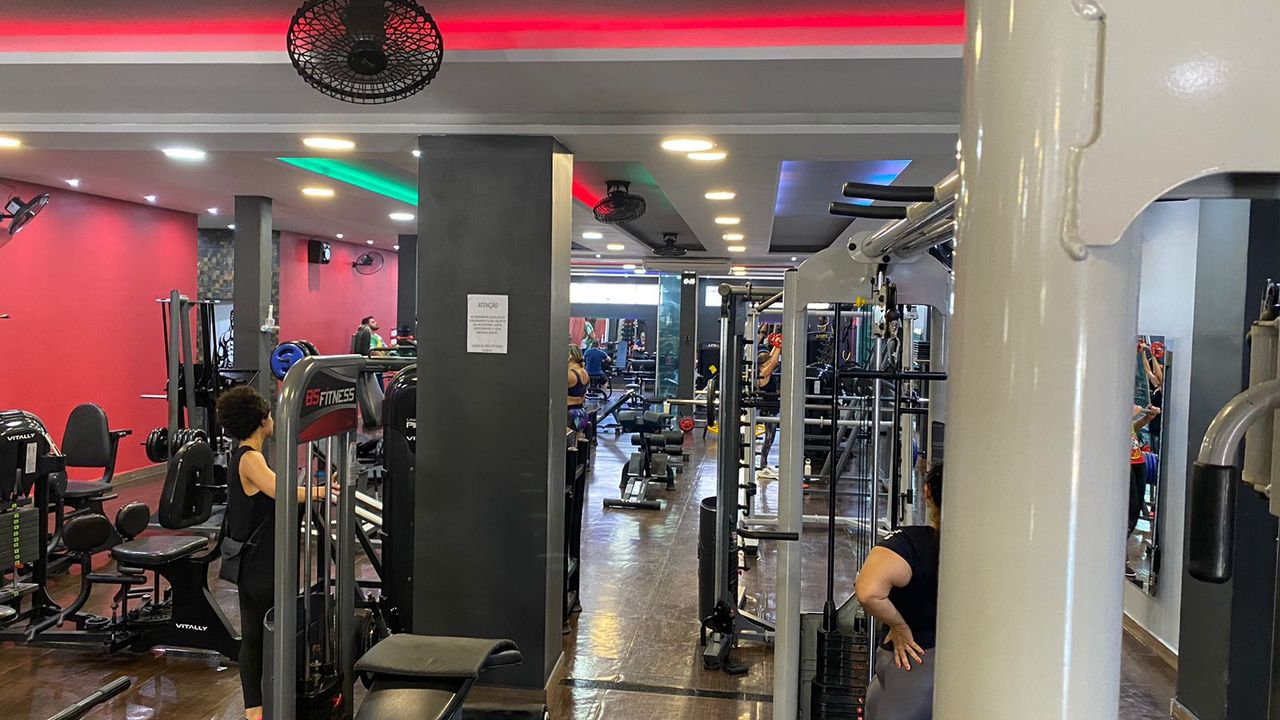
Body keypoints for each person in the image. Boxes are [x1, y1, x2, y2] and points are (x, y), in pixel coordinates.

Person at [217, 386, 329, 720]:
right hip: (260, 567)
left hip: (254, 563)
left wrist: (316, 489)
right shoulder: (249, 459)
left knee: (254, 636)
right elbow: (282, 491)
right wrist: (321, 491)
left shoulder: (245, 456)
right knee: (266, 637)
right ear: (262, 420)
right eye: (268, 413)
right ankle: (266, 707)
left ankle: (256, 710)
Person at [856, 462, 943, 720]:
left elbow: (868, 592)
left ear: (927, 492)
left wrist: (900, 626)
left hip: (913, 660)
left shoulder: (911, 543)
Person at [1130, 403, 1162, 537]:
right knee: (1129, 511)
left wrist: (1146, 419)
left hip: (1138, 462)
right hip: (1128, 465)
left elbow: (1131, 429)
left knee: (1134, 510)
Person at [756, 338, 783, 478]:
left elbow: (771, 359)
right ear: (763, 364)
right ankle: (763, 464)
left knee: (770, 437)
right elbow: (774, 362)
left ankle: (763, 464)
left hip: (772, 408)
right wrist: (778, 345)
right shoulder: (763, 374)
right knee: (769, 438)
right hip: (768, 410)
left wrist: (775, 345)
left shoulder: (764, 370)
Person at [568, 344, 590, 441]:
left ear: (570, 356)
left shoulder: (569, 374)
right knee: (575, 446)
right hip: (581, 413)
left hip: (570, 414)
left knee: (565, 447)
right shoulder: (584, 372)